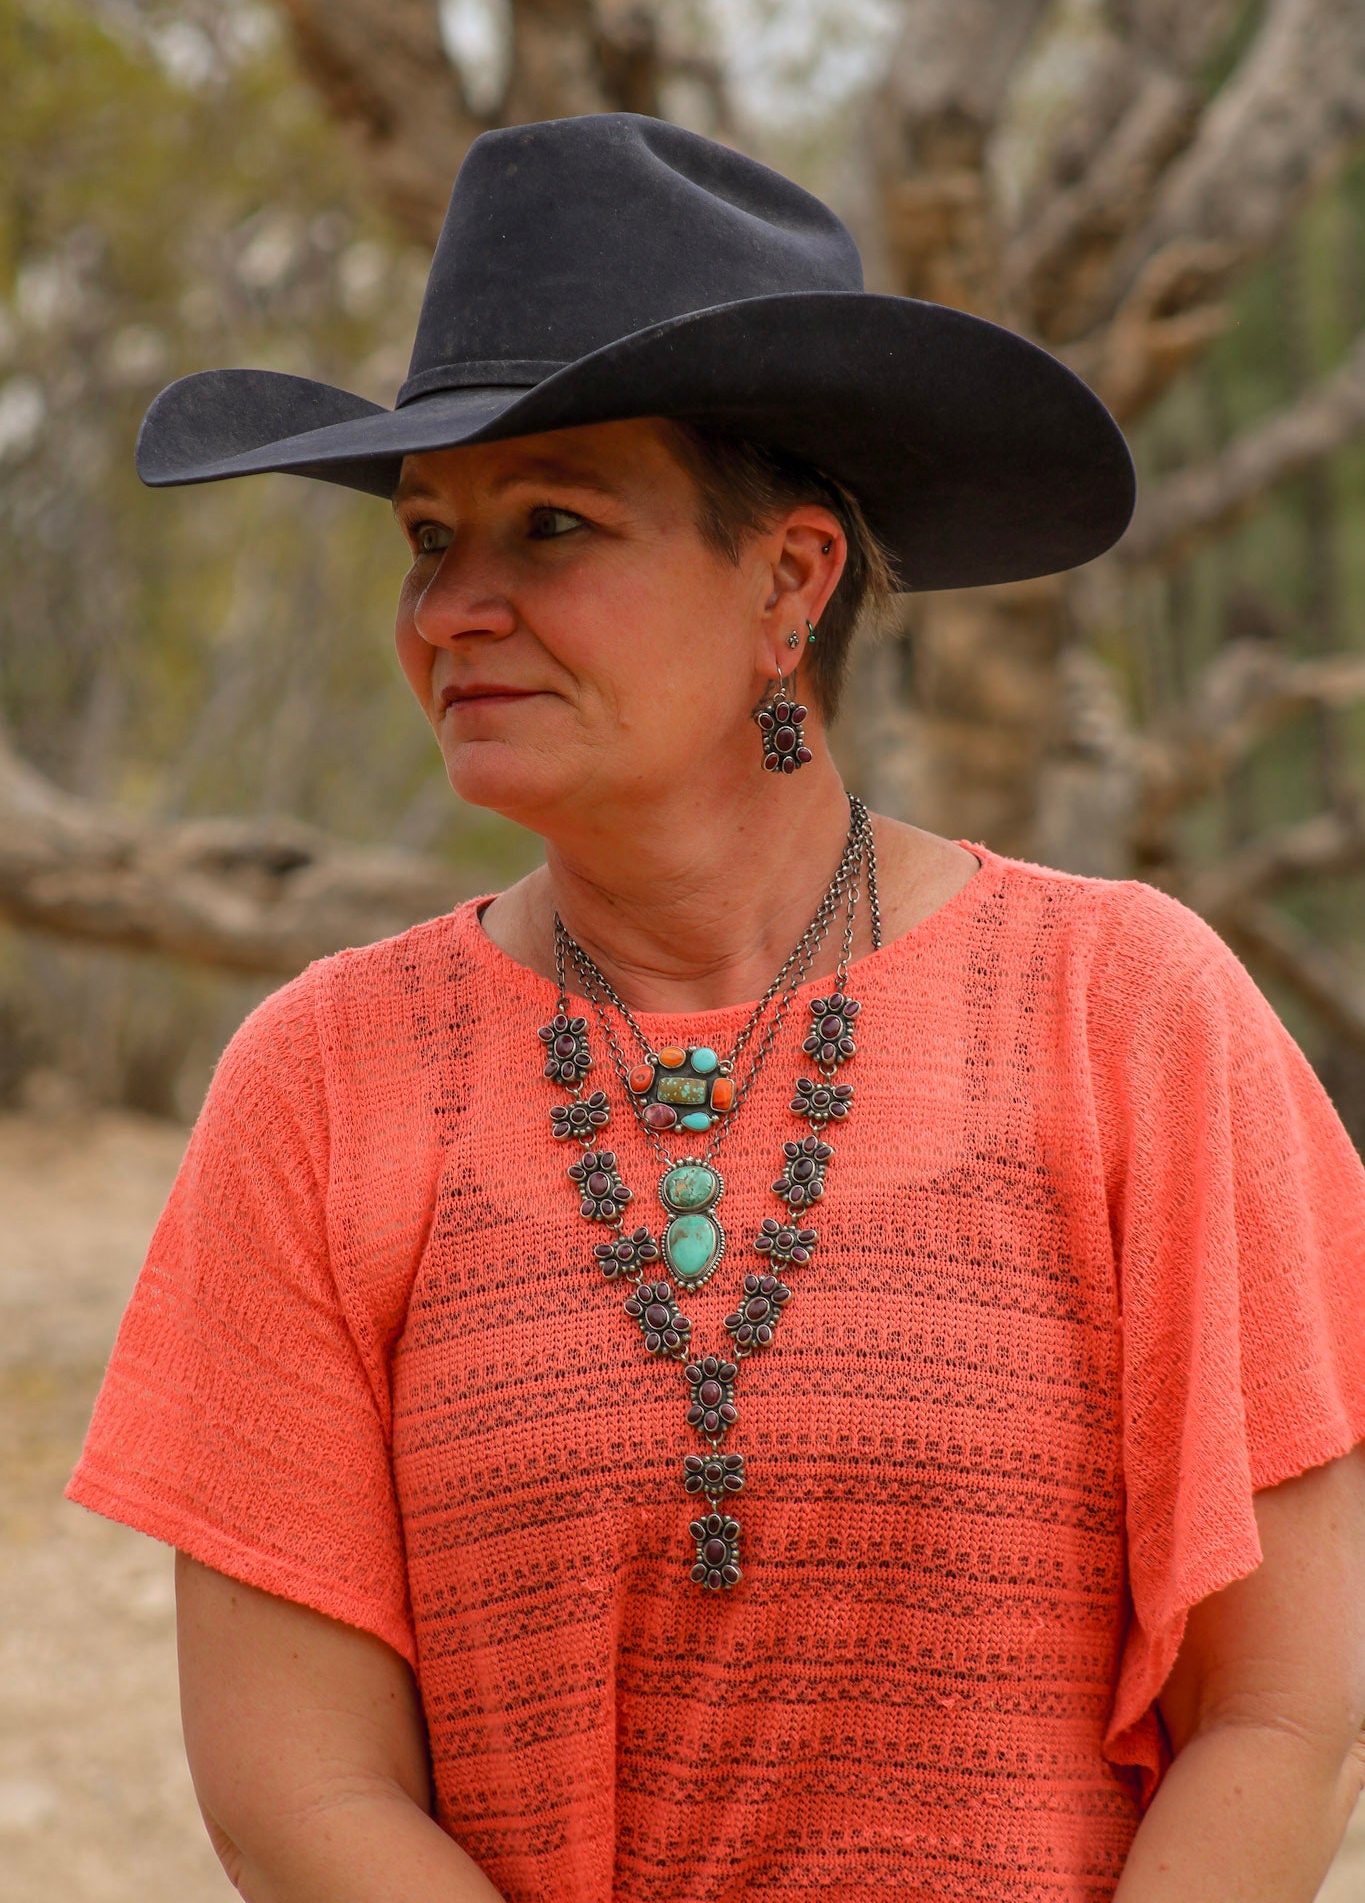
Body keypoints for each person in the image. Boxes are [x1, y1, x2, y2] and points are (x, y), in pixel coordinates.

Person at [68, 114, 1365, 1903]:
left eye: (551, 525)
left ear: (787, 582)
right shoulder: (325, 1081)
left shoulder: (1128, 1016)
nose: (452, 608)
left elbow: (1279, 1714)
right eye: (428, 536)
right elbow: (299, 1794)